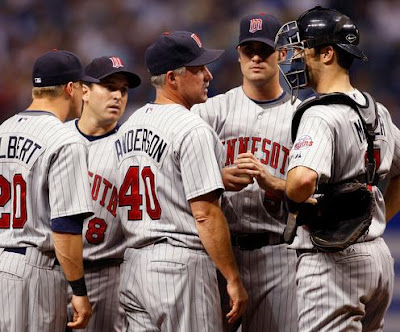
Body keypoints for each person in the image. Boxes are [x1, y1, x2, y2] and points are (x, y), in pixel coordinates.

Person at [275, 6, 400, 331]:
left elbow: (301, 181)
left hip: (334, 261)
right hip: (377, 257)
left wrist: (284, 188)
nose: (296, 58)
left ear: (328, 53)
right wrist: (378, 218)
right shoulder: (377, 110)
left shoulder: (319, 114)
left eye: (303, 49)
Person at [114, 30, 248, 332]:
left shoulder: (128, 126)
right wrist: (232, 277)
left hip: (133, 264)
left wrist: (215, 177)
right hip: (179, 264)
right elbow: (205, 213)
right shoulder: (191, 128)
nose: (208, 75)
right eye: (198, 69)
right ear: (173, 78)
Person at [192, 13, 299, 332]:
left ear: (281, 54)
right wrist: (217, 178)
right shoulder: (210, 111)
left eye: (264, 49)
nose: (255, 57)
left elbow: (313, 189)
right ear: (238, 54)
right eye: (248, 48)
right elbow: (174, 170)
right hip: (218, 252)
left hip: (277, 252)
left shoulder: (302, 115)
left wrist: (275, 182)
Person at [0, 50, 98, 331]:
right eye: (83, 87)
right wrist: (79, 290)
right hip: (33, 271)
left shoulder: (3, 129)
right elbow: (65, 227)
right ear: (70, 89)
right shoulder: (65, 140)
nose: (85, 94)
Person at [65, 56, 141, 331]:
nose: (118, 96)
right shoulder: (56, 138)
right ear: (84, 90)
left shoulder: (130, 147)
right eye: (109, 86)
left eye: (123, 90)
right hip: (51, 271)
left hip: (106, 274)